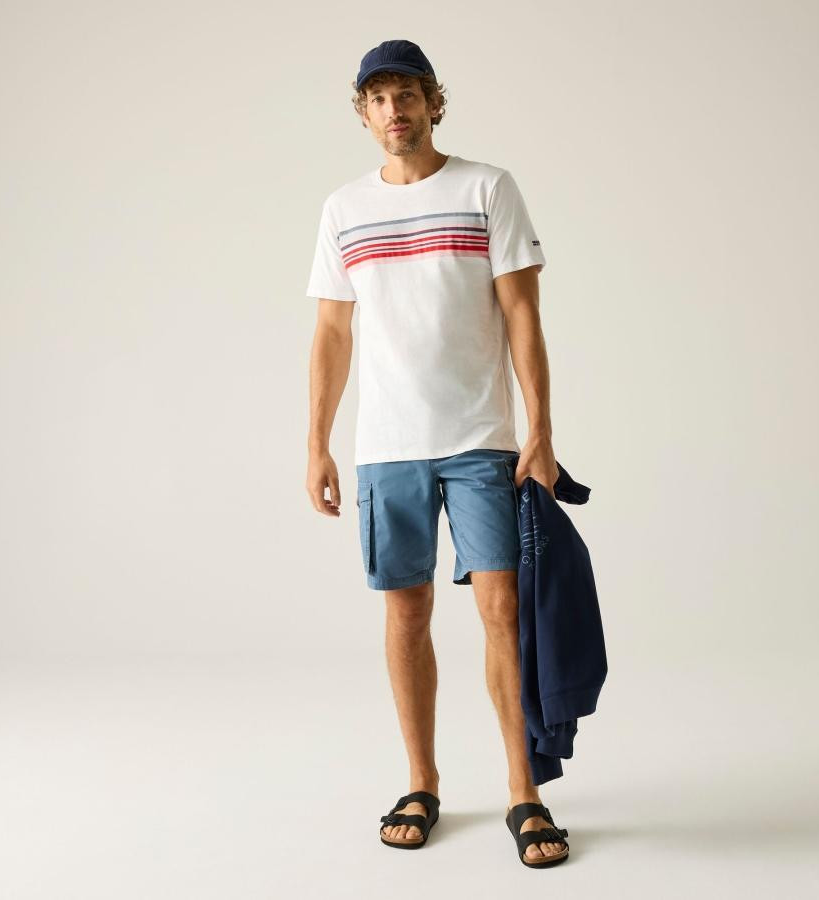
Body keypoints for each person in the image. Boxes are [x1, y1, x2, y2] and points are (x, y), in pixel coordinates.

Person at [305, 39, 569, 867]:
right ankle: (422, 782)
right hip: (387, 447)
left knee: (502, 608)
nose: (395, 110)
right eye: (379, 98)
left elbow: (522, 314)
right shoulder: (344, 208)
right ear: (363, 113)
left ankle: (524, 791)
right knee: (406, 612)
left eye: (408, 94)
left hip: (481, 440)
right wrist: (316, 443)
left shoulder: (487, 188)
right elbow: (332, 331)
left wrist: (541, 430)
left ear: (433, 102)